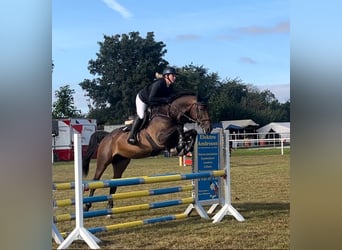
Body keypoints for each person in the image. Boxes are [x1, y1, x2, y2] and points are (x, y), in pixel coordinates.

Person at [127, 66, 178, 145]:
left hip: (154, 101)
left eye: (175, 76)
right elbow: (151, 98)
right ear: (167, 76)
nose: (175, 77)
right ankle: (131, 136)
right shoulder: (159, 83)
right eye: (173, 75)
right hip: (143, 99)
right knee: (141, 116)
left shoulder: (170, 87)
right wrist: (165, 100)